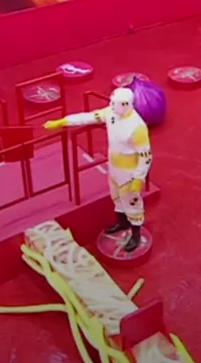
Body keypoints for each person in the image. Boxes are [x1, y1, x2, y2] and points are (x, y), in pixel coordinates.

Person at [42, 87, 153, 252]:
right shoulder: (111, 113)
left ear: (125, 104)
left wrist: (138, 178)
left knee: (131, 201)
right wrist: (63, 121)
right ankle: (122, 222)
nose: (111, 105)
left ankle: (135, 233)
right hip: (114, 168)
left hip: (129, 173)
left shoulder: (137, 127)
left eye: (114, 103)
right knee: (116, 196)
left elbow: (145, 155)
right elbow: (88, 117)